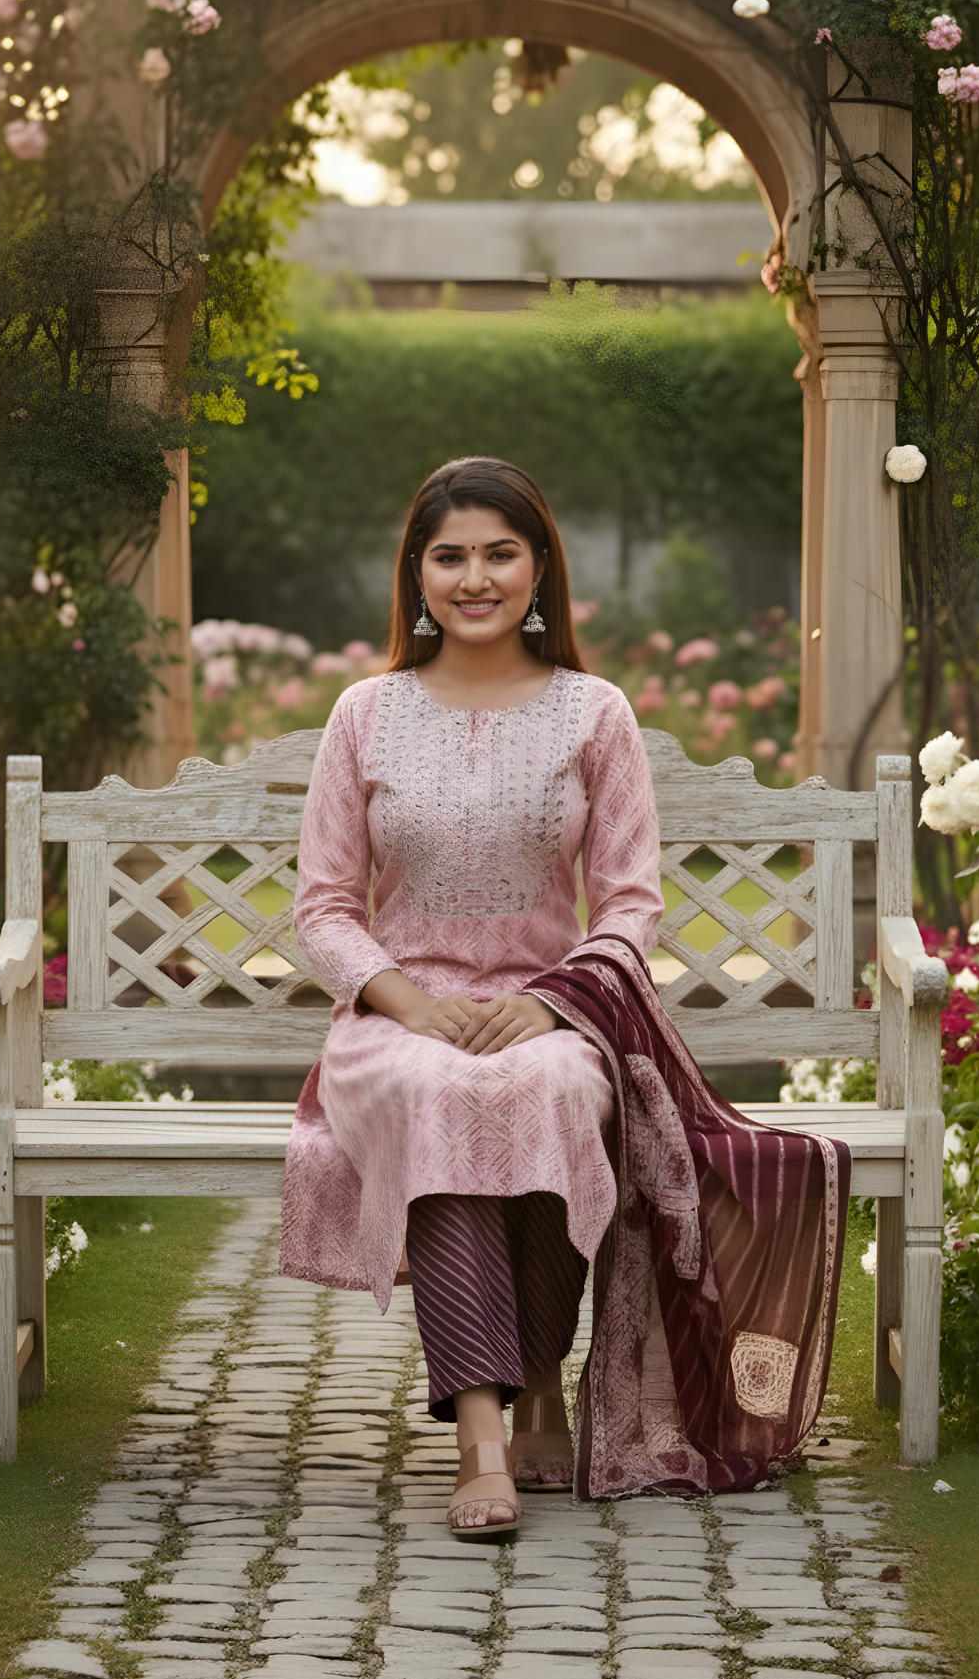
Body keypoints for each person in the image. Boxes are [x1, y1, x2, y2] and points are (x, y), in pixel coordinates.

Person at [280, 456, 848, 1540]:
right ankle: (483, 1435)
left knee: (545, 1091)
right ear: (416, 573)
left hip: (553, 1009)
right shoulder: (365, 713)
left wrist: (551, 1006)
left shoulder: (593, 712)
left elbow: (630, 902)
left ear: (539, 569)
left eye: (500, 552)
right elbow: (323, 908)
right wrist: (408, 1003)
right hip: (394, 1022)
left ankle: (539, 1373)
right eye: (449, 555)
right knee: (440, 1092)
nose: (475, 576)